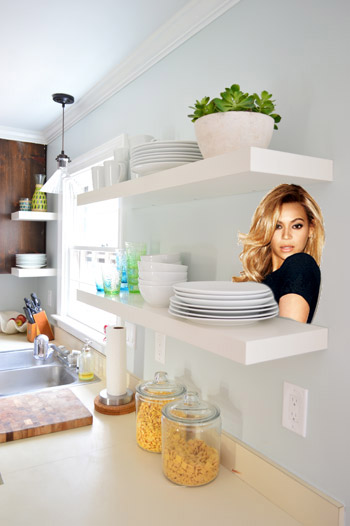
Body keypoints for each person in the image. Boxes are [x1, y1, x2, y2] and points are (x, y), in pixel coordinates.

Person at [233, 184, 325, 323]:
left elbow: (286, 340)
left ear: (311, 229)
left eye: (297, 226)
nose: (286, 236)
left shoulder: (300, 265)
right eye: (278, 226)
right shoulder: (263, 281)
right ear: (266, 229)